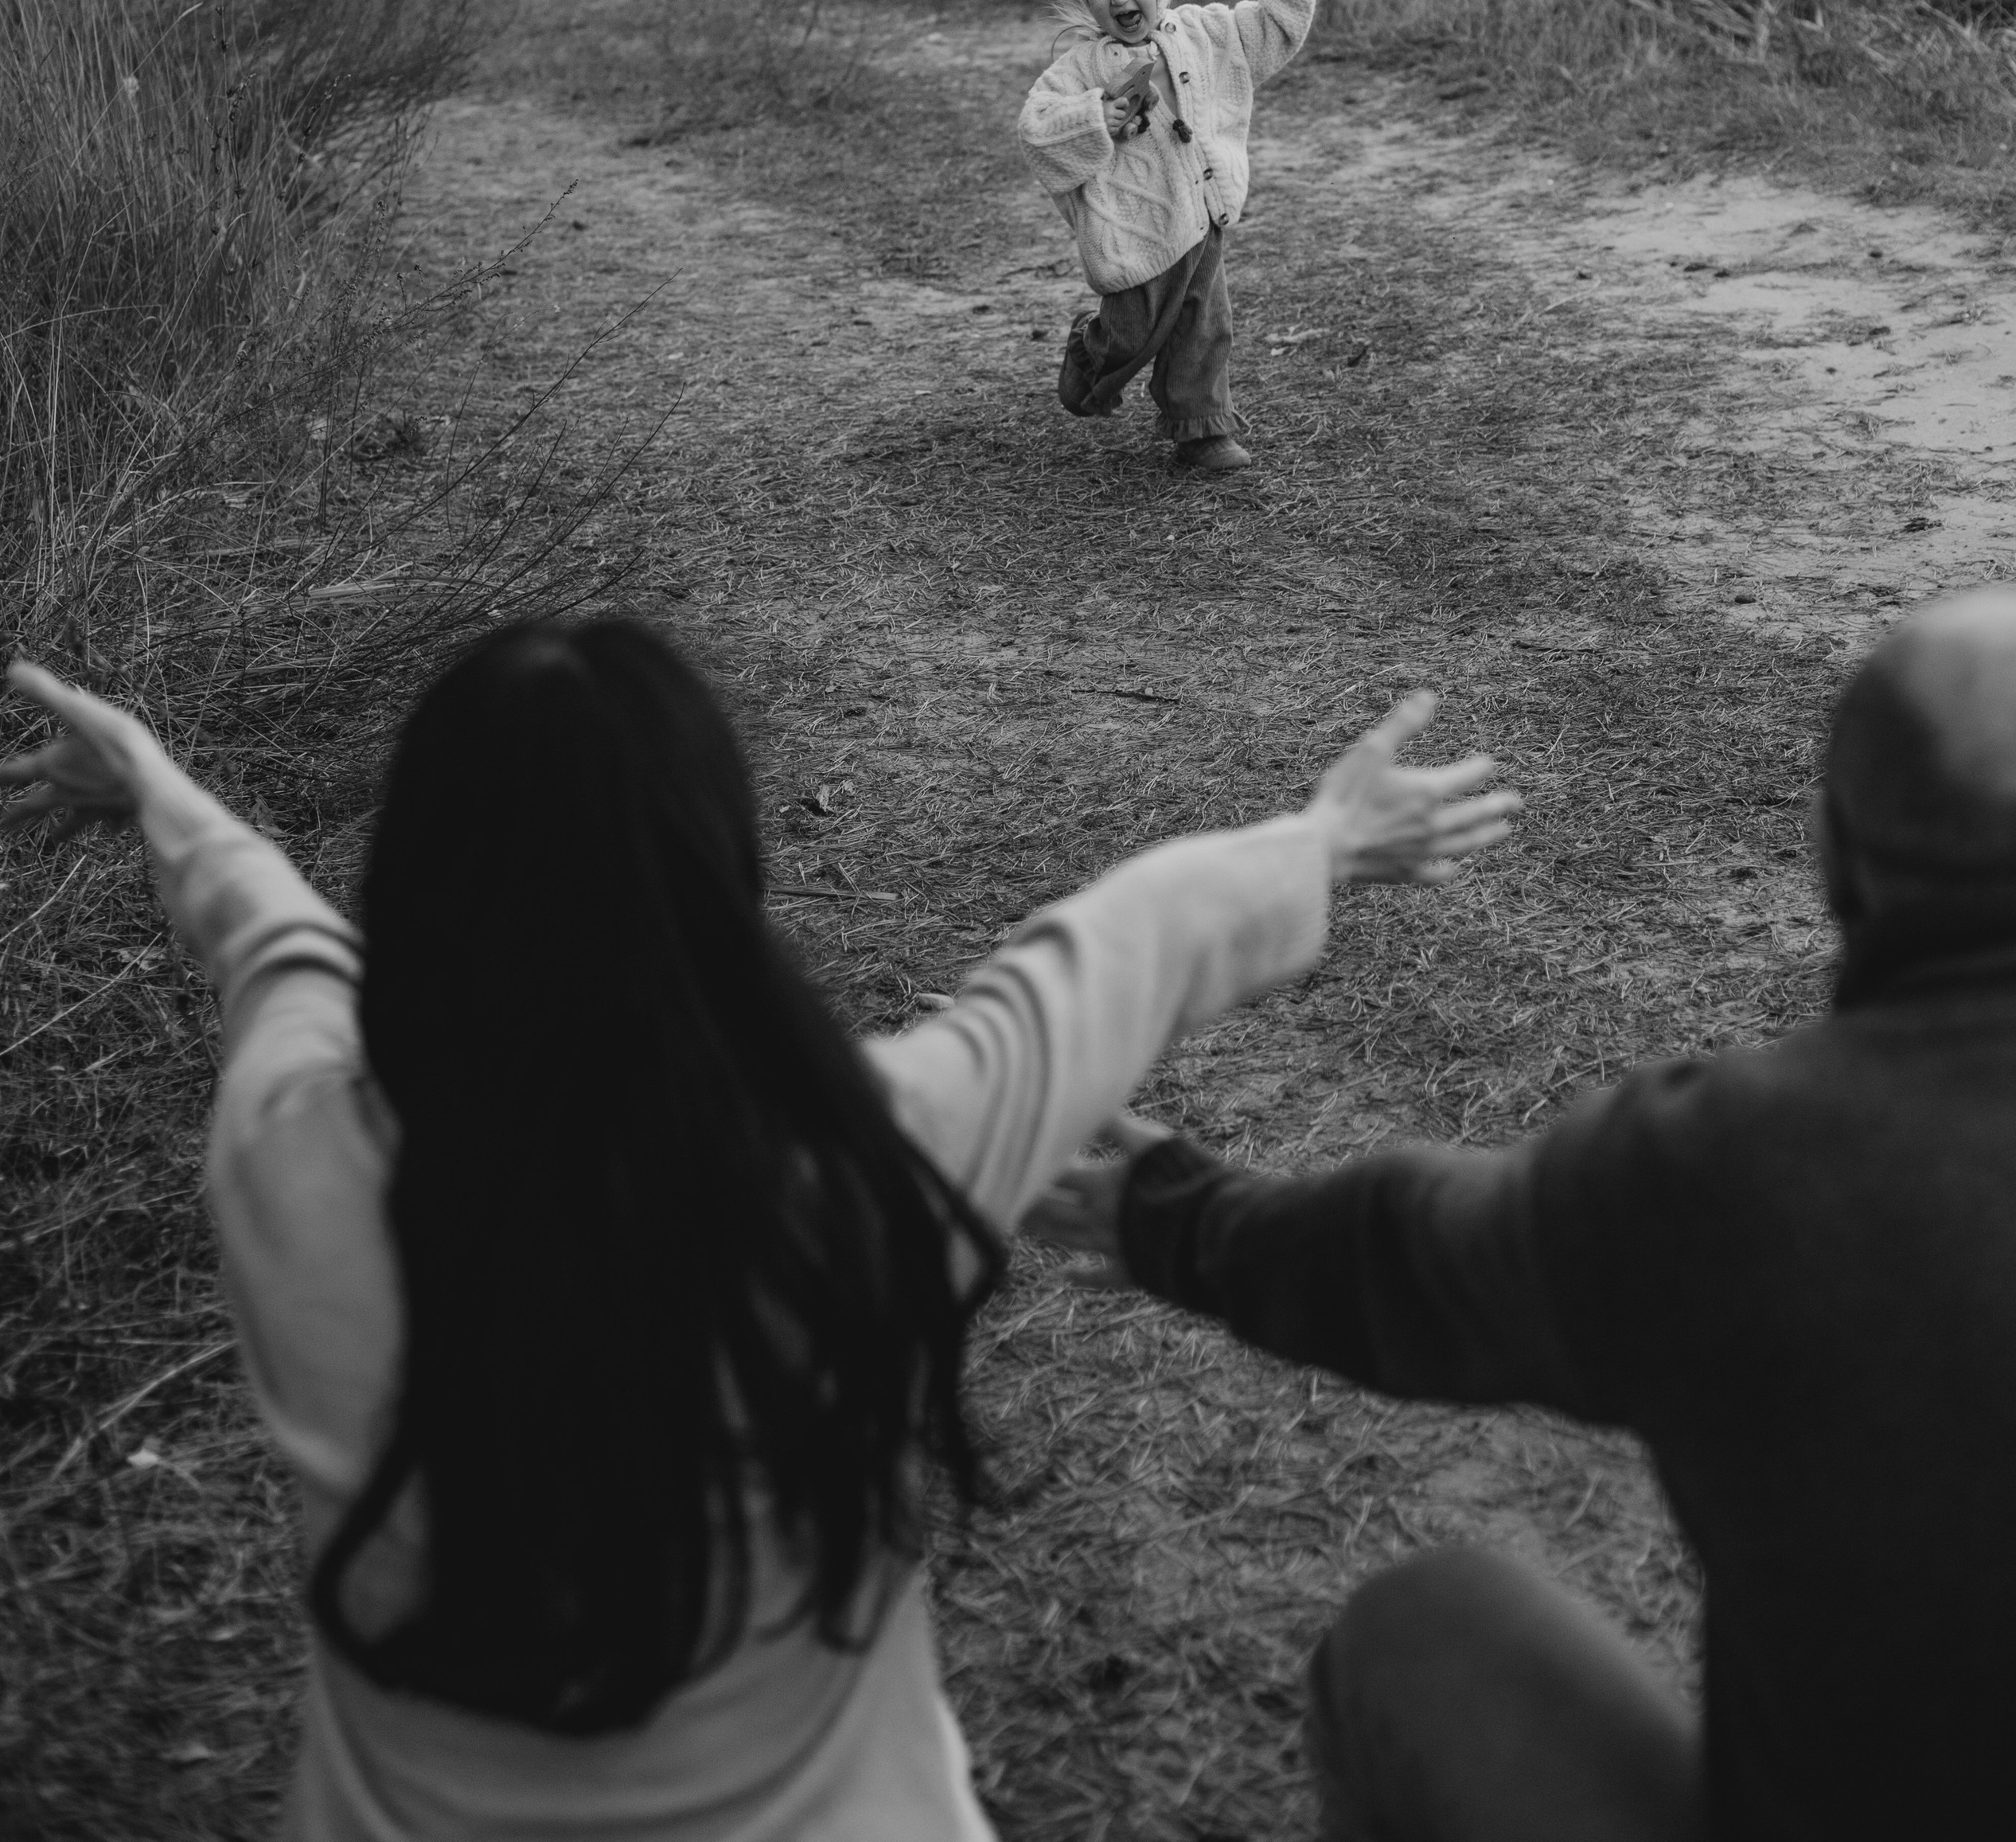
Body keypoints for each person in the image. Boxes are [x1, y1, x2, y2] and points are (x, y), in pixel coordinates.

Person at [0, 632, 1515, 1842]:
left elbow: (274, 943)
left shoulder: (288, 1156)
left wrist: (158, 788)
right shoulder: (866, 1164)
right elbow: (1121, 948)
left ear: (419, 889)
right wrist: (1322, 843)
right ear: (726, 889)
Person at [1030, 584, 2016, 1841]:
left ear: (1838, 858)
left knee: (1424, 1631)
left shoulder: (1742, 1168)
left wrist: (1171, 1214)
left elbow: (1409, 1259)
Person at [1016, 0, 1318, 480]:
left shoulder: (1202, 34)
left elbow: (1264, 34)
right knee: (1132, 331)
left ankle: (1201, 429)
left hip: (1203, 215)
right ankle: (1089, 355)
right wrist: (1095, 117)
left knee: (1205, 327)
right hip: (1136, 228)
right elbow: (1037, 128)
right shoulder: (1083, 68)